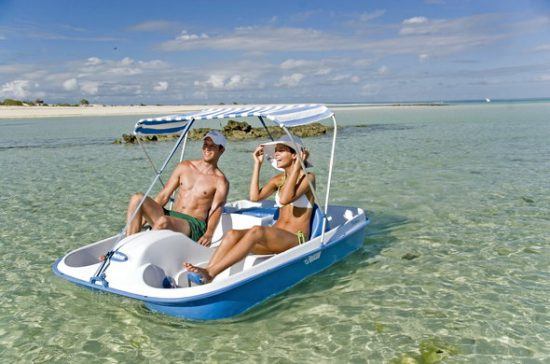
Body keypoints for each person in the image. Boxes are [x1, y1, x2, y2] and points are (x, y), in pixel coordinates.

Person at [184, 135, 315, 283]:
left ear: (294, 155)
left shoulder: (308, 178)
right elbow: (254, 197)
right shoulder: (278, 179)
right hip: (276, 237)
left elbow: (285, 198)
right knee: (232, 234)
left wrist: (298, 166)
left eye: (281, 150)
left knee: (257, 231)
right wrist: (257, 164)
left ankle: (211, 273)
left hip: (296, 239)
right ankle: (207, 270)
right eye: (276, 151)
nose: (275, 154)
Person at [124, 130, 229, 246]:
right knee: (137, 199)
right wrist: (143, 219)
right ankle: (127, 245)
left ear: (221, 150)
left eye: (212, 146)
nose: (207, 149)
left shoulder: (220, 181)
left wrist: (209, 234)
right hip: (172, 217)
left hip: (193, 225)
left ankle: (139, 249)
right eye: (205, 144)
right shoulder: (184, 166)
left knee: (163, 221)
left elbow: (216, 210)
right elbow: (164, 196)